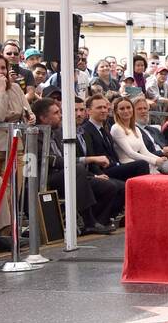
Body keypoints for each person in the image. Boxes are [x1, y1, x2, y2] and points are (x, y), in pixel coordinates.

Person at [32, 98, 118, 234]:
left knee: (108, 186)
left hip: (70, 174)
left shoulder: (58, 132)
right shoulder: (34, 135)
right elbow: (51, 160)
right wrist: (85, 162)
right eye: (56, 113)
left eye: (59, 112)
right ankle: (89, 222)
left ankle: (98, 222)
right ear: (43, 118)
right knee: (76, 169)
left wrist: (94, 175)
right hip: (46, 178)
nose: (60, 116)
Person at [0, 51, 34, 176]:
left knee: (14, 190)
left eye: (3, 68)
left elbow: (28, 111)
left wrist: (31, 118)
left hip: (15, 147)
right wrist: (1, 89)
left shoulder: (15, 88)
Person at [78, 93, 149, 182]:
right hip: (103, 171)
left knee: (142, 164)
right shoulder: (86, 130)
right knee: (142, 164)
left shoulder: (104, 129)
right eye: (99, 108)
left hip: (114, 166)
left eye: (105, 107)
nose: (103, 110)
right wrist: (99, 175)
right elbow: (91, 157)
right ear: (88, 111)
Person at [109, 97, 165, 170]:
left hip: (140, 164)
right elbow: (130, 153)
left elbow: (145, 152)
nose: (126, 111)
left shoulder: (136, 129)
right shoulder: (116, 128)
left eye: (128, 107)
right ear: (116, 111)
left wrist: (161, 160)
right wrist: (155, 161)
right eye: (122, 109)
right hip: (128, 166)